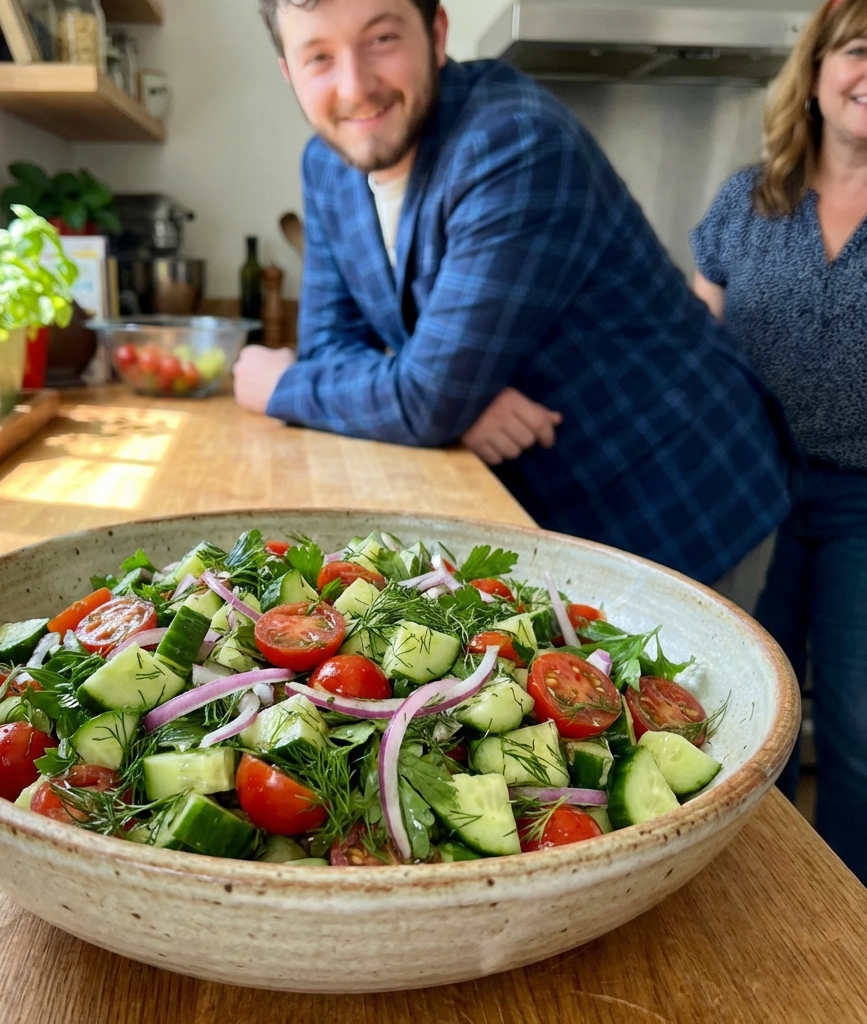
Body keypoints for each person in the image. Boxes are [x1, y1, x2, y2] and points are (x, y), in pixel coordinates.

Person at [234, 0, 790, 586]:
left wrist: (283, 385)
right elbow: (332, 347)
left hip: (683, 487)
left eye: (382, 39)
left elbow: (420, 397)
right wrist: (446, 402)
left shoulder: (514, 142)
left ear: (437, 33)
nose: (355, 86)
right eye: (319, 56)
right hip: (545, 507)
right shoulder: (326, 163)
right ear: (289, 72)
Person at [691, 0, 867, 881]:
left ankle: (842, 917)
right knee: (740, 710)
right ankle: (739, 896)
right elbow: (694, 345)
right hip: (748, 489)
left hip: (864, 502)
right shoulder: (746, 200)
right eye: (862, 51)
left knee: (859, 730)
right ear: (819, 68)